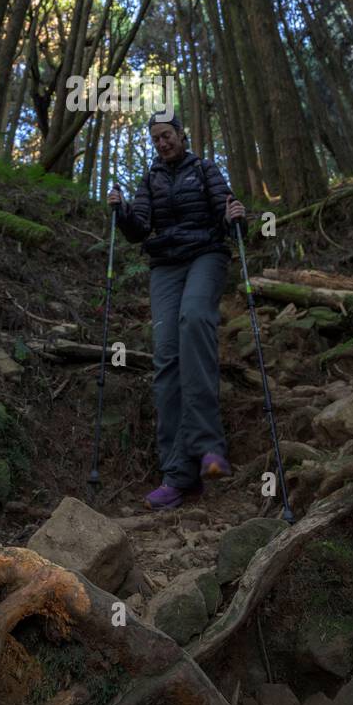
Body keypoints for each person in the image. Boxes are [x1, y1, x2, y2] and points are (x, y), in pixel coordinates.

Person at [108, 114, 247, 510]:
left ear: (182, 135)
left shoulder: (205, 169)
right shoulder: (151, 178)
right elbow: (139, 230)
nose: (162, 143)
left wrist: (235, 217)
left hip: (205, 255)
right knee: (166, 356)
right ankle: (177, 475)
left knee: (194, 322)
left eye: (166, 136)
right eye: (155, 139)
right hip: (165, 264)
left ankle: (209, 450)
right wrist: (122, 212)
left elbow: (229, 213)